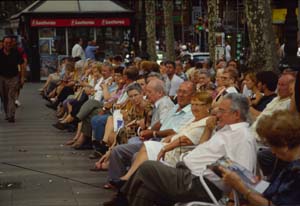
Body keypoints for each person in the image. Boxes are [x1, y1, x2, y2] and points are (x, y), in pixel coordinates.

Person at [106, 93, 256, 206]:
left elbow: (244, 176)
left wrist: (231, 200)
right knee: (146, 187)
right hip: (187, 174)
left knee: (148, 167)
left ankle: (121, 198)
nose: (217, 114)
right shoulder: (226, 130)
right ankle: (123, 199)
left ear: (236, 114)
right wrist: (209, 130)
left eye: (222, 111)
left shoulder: (242, 136)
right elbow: (203, 147)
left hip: (199, 184)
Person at [220, 110, 300, 206]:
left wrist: (243, 189)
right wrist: (255, 184)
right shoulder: (286, 159)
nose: (272, 152)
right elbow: (273, 189)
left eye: (272, 146)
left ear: (284, 145)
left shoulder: (296, 171)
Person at [0, 36, 25, 122]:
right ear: (3, 43)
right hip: (2, 77)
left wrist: (22, 77)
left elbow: (22, 64)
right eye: (6, 43)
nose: (7, 44)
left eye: (9, 43)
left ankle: (11, 115)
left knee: (11, 95)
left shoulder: (16, 52)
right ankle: (7, 113)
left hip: (14, 77)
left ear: (12, 44)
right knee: (4, 97)